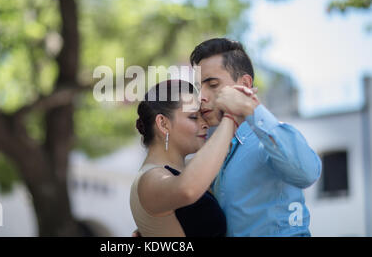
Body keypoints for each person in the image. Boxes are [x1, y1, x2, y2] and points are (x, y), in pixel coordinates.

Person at [190, 37, 322, 236]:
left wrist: (249, 107)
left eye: (213, 84)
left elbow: (308, 173)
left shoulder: (272, 139)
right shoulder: (217, 151)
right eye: (199, 88)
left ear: (244, 84)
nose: (201, 97)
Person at [130, 79, 255, 237]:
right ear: (163, 123)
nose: (205, 124)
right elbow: (187, 189)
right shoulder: (150, 179)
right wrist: (230, 118)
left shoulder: (185, 169)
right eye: (194, 117)